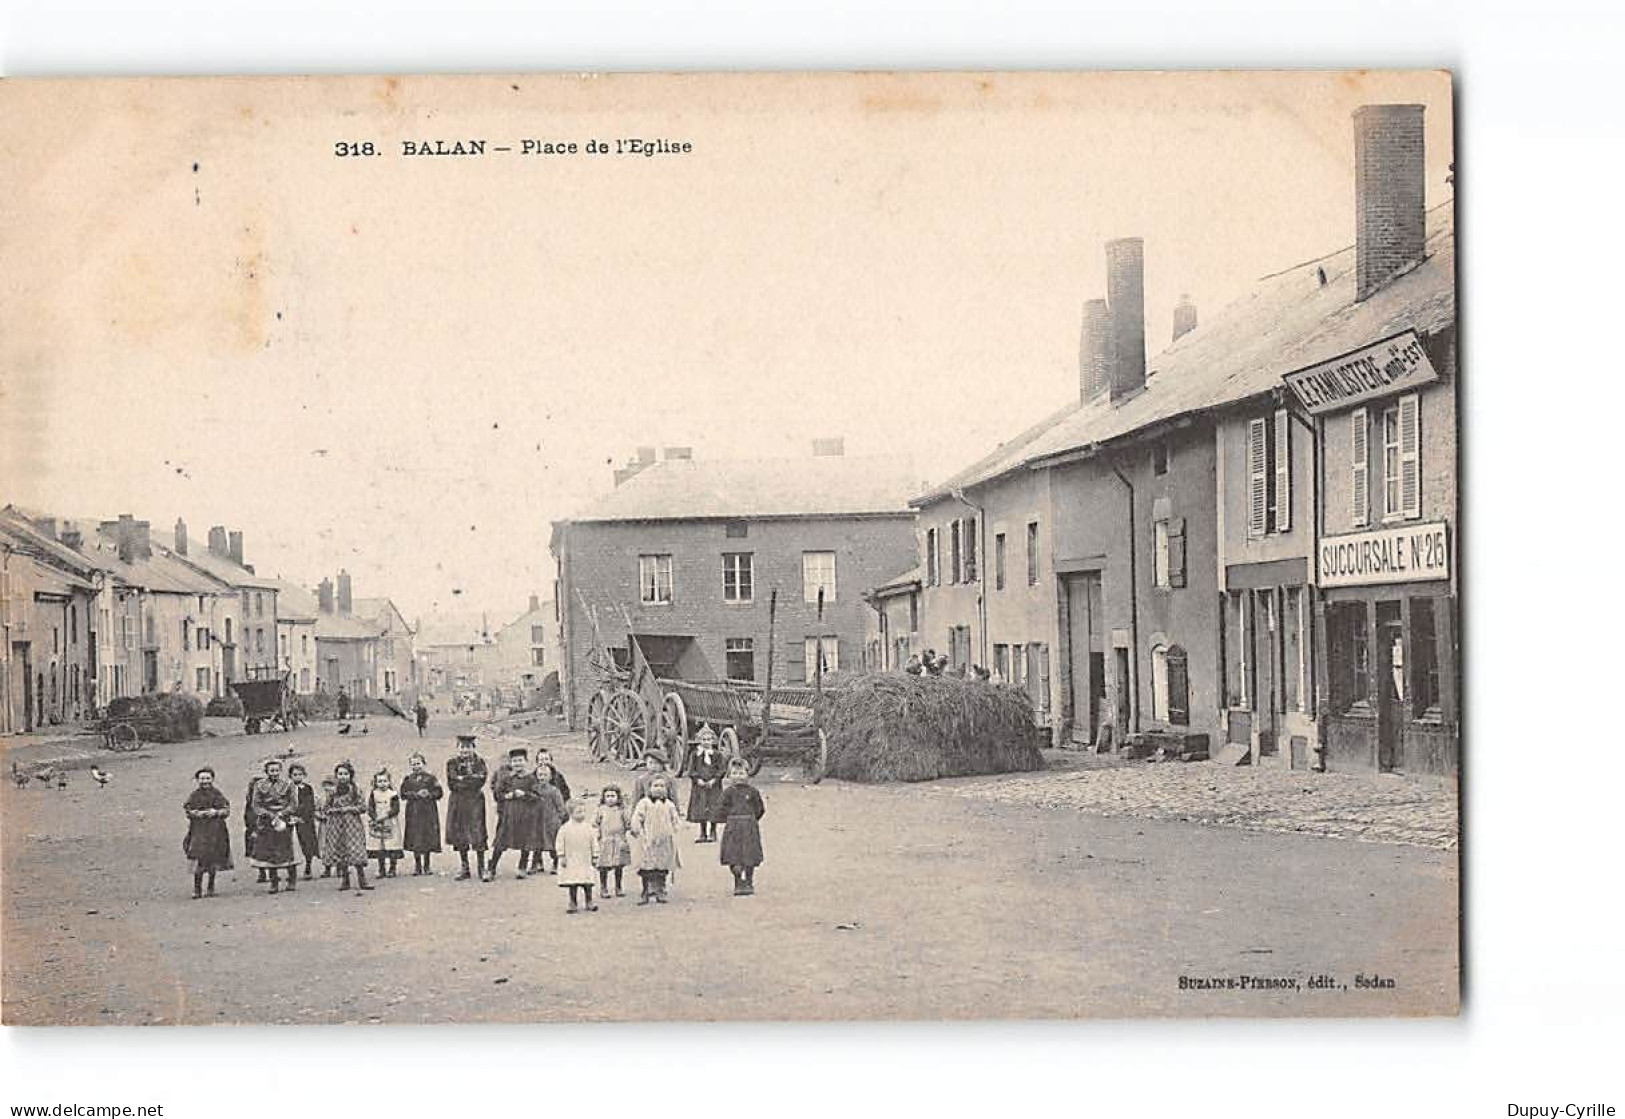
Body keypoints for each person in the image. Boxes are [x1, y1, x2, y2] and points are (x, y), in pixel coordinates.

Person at [714, 756, 766, 896]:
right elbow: (721, 808)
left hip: (749, 826)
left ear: (747, 774)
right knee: (733, 856)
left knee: (750, 856)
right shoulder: (728, 792)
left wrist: (751, 819)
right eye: (735, 773)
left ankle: (749, 881)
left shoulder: (753, 792)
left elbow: (760, 809)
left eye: (741, 773)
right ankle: (738, 881)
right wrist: (730, 819)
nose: (738, 777)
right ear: (730, 775)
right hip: (733, 827)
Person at [488, 748, 542, 881]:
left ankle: (522, 867)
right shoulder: (507, 779)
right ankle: (491, 868)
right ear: (511, 763)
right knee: (500, 843)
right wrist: (508, 796)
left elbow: (537, 796)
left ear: (526, 762)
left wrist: (525, 794)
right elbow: (497, 794)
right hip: (508, 816)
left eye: (520, 761)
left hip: (525, 817)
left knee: (525, 842)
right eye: (515, 761)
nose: (517, 764)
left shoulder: (531, 779)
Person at [629, 774, 682, 905]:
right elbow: (637, 817)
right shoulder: (644, 803)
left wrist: (676, 828)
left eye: (662, 786)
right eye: (655, 786)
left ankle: (660, 890)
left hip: (664, 841)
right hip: (648, 840)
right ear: (649, 788)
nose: (659, 789)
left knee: (662, 867)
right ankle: (646, 891)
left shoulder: (669, 804)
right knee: (647, 867)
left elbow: (675, 819)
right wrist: (635, 827)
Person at [249, 758, 300, 893]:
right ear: (266, 771)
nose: (274, 773)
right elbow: (256, 804)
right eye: (271, 770)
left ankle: (291, 879)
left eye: (277, 770)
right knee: (269, 852)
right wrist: (268, 814)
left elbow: (294, 803)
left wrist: (283, 813)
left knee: (287, 850)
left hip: (284, 820)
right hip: (267, 822)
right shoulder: (259, 785)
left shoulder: (288, 785)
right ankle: (274, 881)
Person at [182, 767, 232, 899]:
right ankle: (197, 888)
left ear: (212, 779)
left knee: (213, 860)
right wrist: (198, 813)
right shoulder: (194, 795)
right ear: (197, 780)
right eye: (202, 778)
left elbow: (226, 809)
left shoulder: (217, 794)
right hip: (199, 831)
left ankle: (211, 886)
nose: (205, 781)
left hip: (216, 831)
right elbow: (188, 809)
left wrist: (215, 812)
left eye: (208, 778)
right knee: (199, 859)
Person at [445, 734, 489, 881]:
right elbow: (452, 783)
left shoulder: (479, 762)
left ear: (473, 748)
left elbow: (481, 780)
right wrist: (469, 779)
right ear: (458, 748)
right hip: (458, 801)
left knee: (478, 832)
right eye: (462, 747)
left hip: (475, 801)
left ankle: (482, 867)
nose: (465, 750)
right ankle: (465, 867)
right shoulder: (452, 763)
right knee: (460, 833)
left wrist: (463, 778)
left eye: (468, 747)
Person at [323, 762, 373, 892]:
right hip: (336, 825)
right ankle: (345, 880)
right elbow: (326, 808)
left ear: (351, 775)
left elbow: (363, 807)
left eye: (346, 774)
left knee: (356, 849)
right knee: (341, 850)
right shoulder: (332, 792)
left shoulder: (356, 790)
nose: (343, 776)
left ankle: (362, 880)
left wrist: (348, 809)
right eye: (340, 774)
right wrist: (334, 810)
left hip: (352, 824)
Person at [400, 752, 444, 876]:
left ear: (424, 764)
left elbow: (439, 793)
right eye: (413, 764)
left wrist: (429, 794)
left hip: (428, 811)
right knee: (416, 837)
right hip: (414, 812)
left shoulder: (430, 778)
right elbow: (403, 794)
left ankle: (427, 865)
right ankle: (417, 865)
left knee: (427, 836)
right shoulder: (408, 779)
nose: (416, 767)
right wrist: (415, 795)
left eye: (418, 764)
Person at [685, 724, 727, 843]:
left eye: (708, 739)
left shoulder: (717, 755)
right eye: (704, 739)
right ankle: (703, 832)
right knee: (701, 808)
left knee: (714, 807)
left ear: (713, 740)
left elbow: (722, 769)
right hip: (700, 786)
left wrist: (715, 779)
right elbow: (691, 769)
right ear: (699, 740)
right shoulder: (695, 754)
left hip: (714, 786)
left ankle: (713, 831)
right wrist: (697, 779)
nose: (706, 742)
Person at [554, 800, 598, 913]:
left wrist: (595, 856)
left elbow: (594, 842)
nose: (582, 814)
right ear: (571, 813)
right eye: (579, 812)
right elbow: (560, 843)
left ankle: (589, 901)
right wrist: (561, 855)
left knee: (587, 882)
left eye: (583, 812)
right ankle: (573, 902)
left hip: (585, 859)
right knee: (572, 883)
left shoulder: (589, 828)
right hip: (571, 859)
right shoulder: (564, 829)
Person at [592, 785, 632, 899]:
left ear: (618, 797)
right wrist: (597, 833)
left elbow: (628, 823)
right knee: (603, 866)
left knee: (619, 866)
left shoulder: (621, 810)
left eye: (613, 796)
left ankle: (618, 887)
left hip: (619, 840)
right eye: (607, 796)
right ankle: (603, 887)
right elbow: (595, 823)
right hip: (605, 841)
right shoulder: (601, 809)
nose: (610, 799)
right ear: (603, 798)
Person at [366, 768, 404, 879]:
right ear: (376, 783)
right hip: (378, 822)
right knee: (379, 846)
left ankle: (392, 868)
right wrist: (374, 817)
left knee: (391, 845)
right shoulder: (374, 794)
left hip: (390, 822)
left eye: (385, 781)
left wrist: (387, 815)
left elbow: (396, 809)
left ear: (389, 782)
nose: (382, 784)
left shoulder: (393, 794)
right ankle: (381, 868)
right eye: (380, 781)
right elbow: (370, 807)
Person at [532, 761, 568, 875]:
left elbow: (561, 806)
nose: (542, 777)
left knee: (553, 844)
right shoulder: (534, 789)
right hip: (538, 820)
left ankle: (556, 863)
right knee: (537, 843)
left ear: (550, 776)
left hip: (551, 821)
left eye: (545, 775)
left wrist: (560, 818)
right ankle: (537, 864)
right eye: (540, 775)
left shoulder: (554, 791)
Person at [288, 763, 319, 880]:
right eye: (295, 775)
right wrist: (290, 815)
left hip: (304, 820)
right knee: (292, 844)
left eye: (300, 774)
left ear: (304, 775)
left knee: (306, 843)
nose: (297, 777)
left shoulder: (307, 788)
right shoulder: (287, 788)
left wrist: (301, 817)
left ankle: (308, 866)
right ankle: (292, 870)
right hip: (291, 819)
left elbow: (309, 804)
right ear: (290, 776)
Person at [633, 751, 680, 817]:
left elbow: (674, 797)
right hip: (648, 810)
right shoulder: (641, 780)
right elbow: (637, 798)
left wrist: (677, 812)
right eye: (650, 763)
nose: (653, 766)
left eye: (656, 763)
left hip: (665, 810)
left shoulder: (669, 779)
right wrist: (634, 815)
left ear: (662, 764)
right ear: (646, 763)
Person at [243, 773, 265, 883]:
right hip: (255, 829)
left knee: (267, 851)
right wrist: (252, 829)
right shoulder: (250, 803)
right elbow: (248, 817)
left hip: (266, 829)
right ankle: (262, 872)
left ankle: (269, 872)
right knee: (257, 852)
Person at [314, 776, 338, 878]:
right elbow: (316, 810)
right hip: (324, 824)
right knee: (325, 845)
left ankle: (340, 867)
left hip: (336, 824)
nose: (329, 788)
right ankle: (327, 868)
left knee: (337, 844)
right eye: (326, 785)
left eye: (331, 785)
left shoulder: (338, 798)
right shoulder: (321, 798)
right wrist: (320, 816)